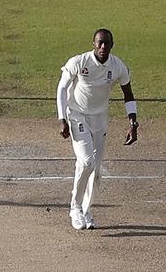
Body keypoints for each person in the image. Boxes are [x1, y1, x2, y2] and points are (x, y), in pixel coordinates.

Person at [56, 28, 139, 230]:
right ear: (93, 43)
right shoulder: (79, 62)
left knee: (96, 171)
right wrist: (62, 118)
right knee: (86, 162)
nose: (103, 47)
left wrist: (132, 123)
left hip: (100, 118)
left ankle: (86, 211)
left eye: (107, 43)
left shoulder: (117, 66)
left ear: (112, 45)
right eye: (99, 43)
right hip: (77, 115)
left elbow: (128, 94)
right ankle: (74, 208)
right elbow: (62, 88)